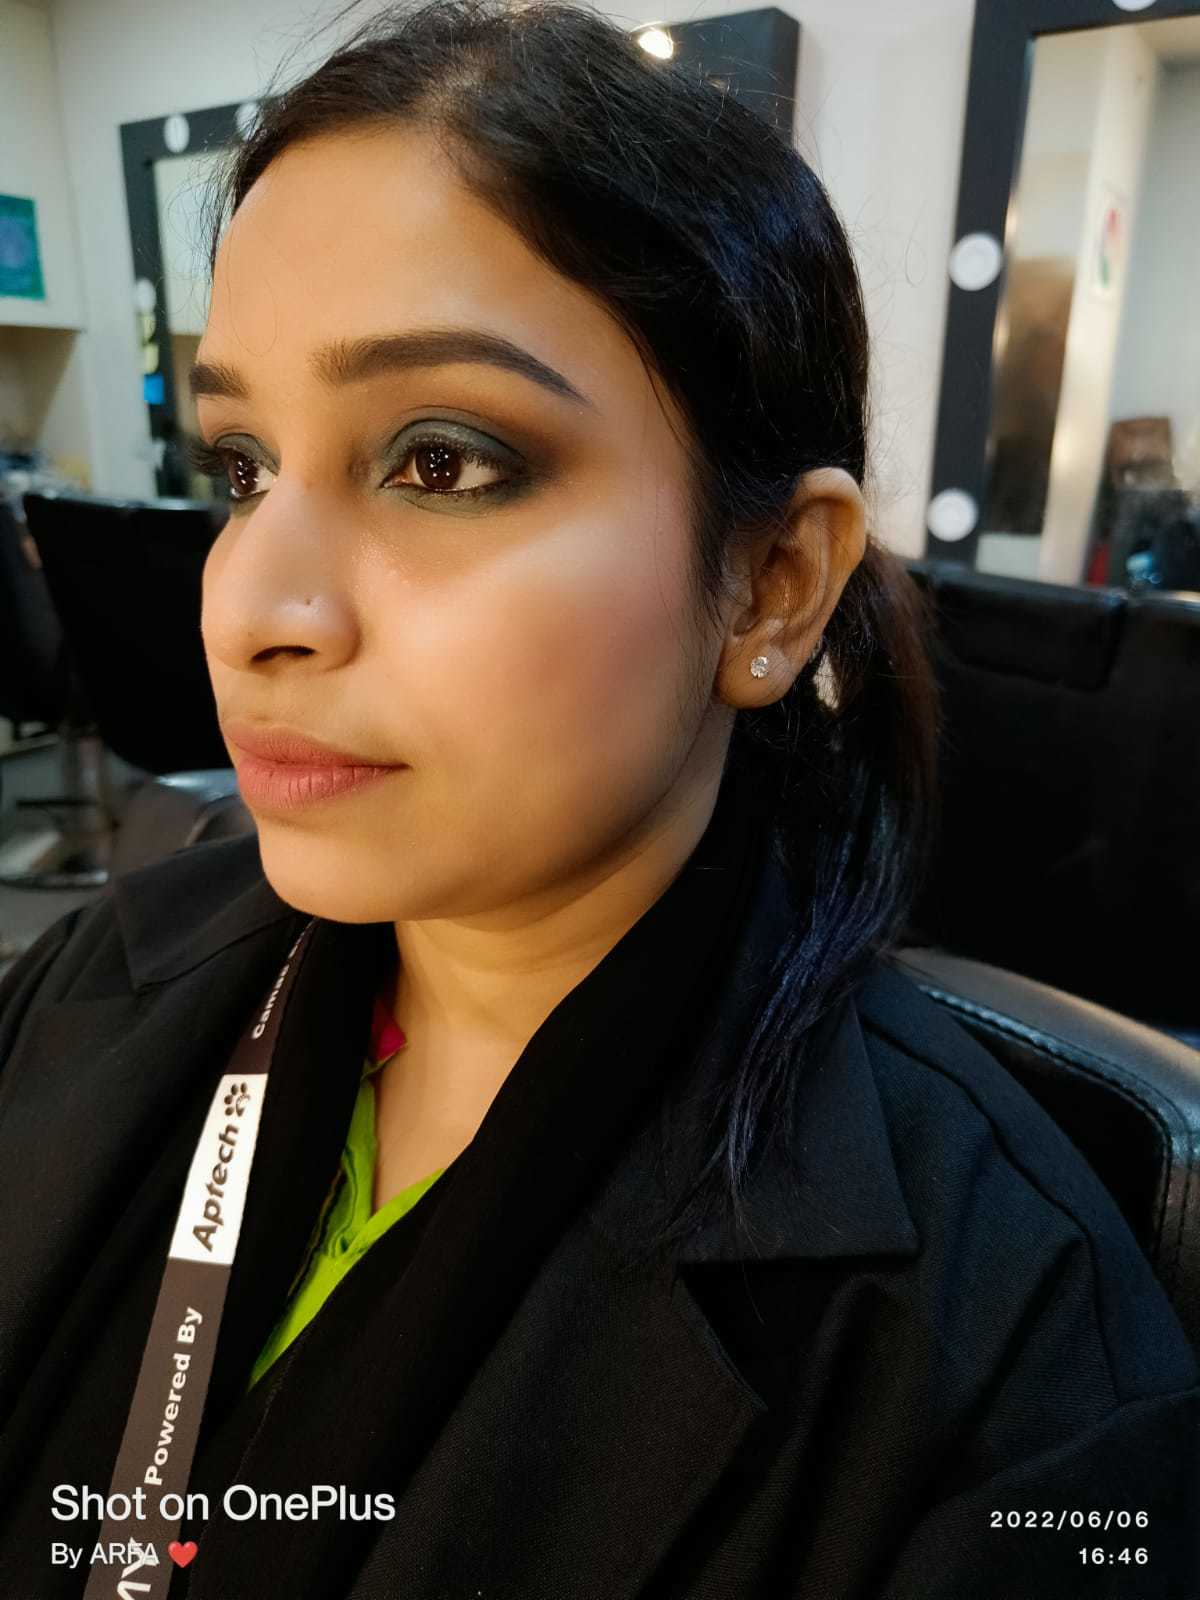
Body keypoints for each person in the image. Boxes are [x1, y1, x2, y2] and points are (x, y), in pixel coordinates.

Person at [0, 1, 1196, 1595]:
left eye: (439, 460)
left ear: (772, 585)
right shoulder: (88, 988)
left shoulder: (1016, 1381)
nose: (248, 607)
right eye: (241, 466)